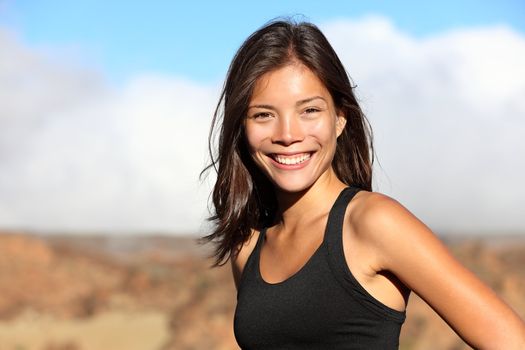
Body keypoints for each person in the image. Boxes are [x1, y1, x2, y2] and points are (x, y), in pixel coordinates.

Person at [201, 19, 525, 349]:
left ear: (340, 118)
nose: (288, 135)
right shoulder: (249, 246)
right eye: (263, 115)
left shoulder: (374, 223)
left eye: (309, 110)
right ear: (241, 126)